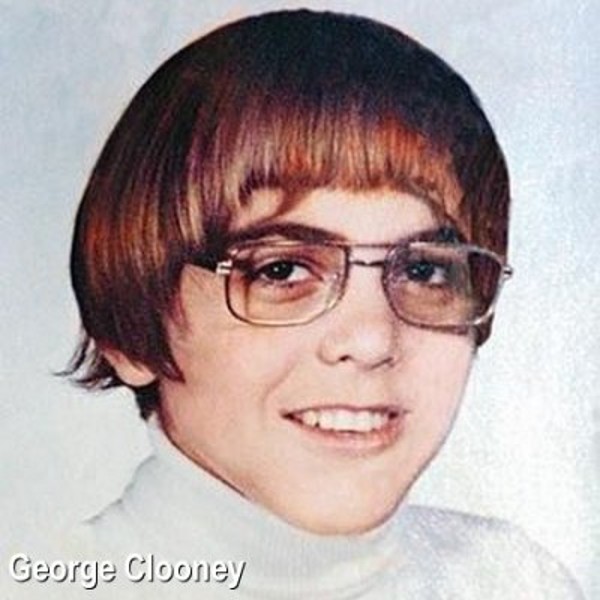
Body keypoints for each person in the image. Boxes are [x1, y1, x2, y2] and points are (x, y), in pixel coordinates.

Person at [9, 9, 585, 599]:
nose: (371, 340)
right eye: (281, 271)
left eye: (423, 271)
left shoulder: (512, 580)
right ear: (129, 333)